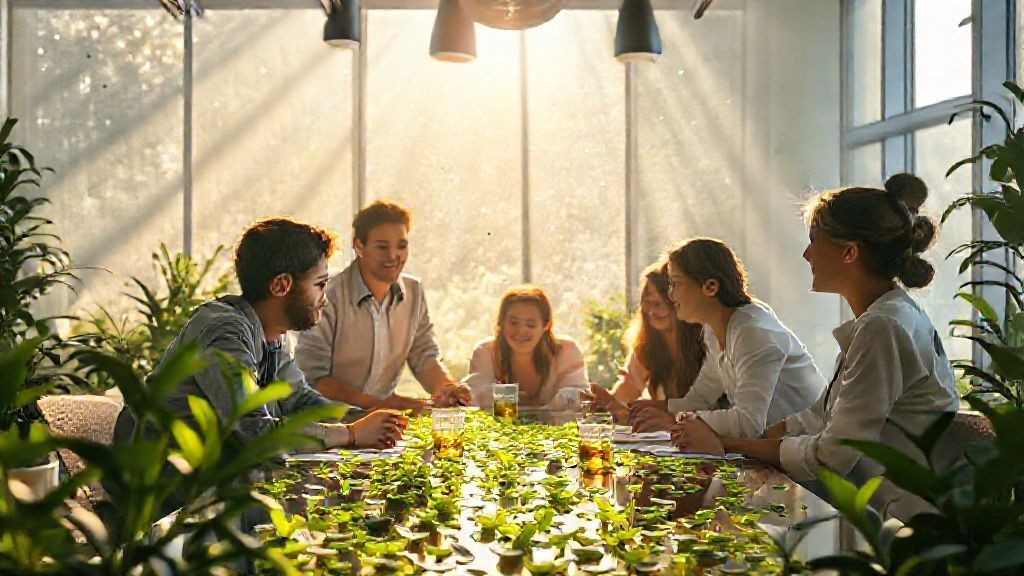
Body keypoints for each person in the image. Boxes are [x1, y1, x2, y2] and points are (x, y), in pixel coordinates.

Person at [671, 174, 959, 520]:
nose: (807, 253)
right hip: (865, 501)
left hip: (897, 521)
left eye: (814, 239)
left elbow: (832, 453)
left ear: (850, 251)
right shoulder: (883, 317)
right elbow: (816, 418)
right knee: (725, 502)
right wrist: (732, 442)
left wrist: (725, 445)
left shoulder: (883, 326)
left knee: (722, 513)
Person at [150, 217, 406, 450]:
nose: (325, 300)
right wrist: (350, 433)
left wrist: (371, 419)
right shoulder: (225, 333)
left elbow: (298, 400)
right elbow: (252, 431)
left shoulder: (271, 332)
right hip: (165, 488)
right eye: (320, 285)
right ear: (281, 285)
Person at [631, 238, 824, 437]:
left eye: (675, 284)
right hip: (773, 448)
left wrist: (674, 420)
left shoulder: (754, 333)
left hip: (806, 455)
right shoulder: (714, 329)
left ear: (710, 287)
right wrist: (639, 411)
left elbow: (747, 424)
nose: (670, 295)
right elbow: (701, 398)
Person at [295, 200, 470, 412]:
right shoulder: (327, 295)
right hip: (329, 423)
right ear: (358, 245)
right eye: (382, 246)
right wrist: (384, 406)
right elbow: (314, 379)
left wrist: (447, 387)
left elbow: (424, 356)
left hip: (384, 425)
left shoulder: (413, 291)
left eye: (402, 246)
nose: (393, 255)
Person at [589, 260, 708, 423]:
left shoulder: (707, 341)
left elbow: (706, 405)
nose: (652, 311)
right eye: (647, 302)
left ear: (678, 300)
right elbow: (627, 392)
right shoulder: (646, 347)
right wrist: (604, 403)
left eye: (660, 303)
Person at [464, 285, 590, 410]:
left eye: (531, 324)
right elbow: (473, 395)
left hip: (557, 429)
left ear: (546, 325)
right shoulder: (485, 351)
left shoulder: (567, 350)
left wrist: (546, 410)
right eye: (513, 323)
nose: (521, 331)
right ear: (501, 322)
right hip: (498, 429)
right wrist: (511, 398)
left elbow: (580, 396)